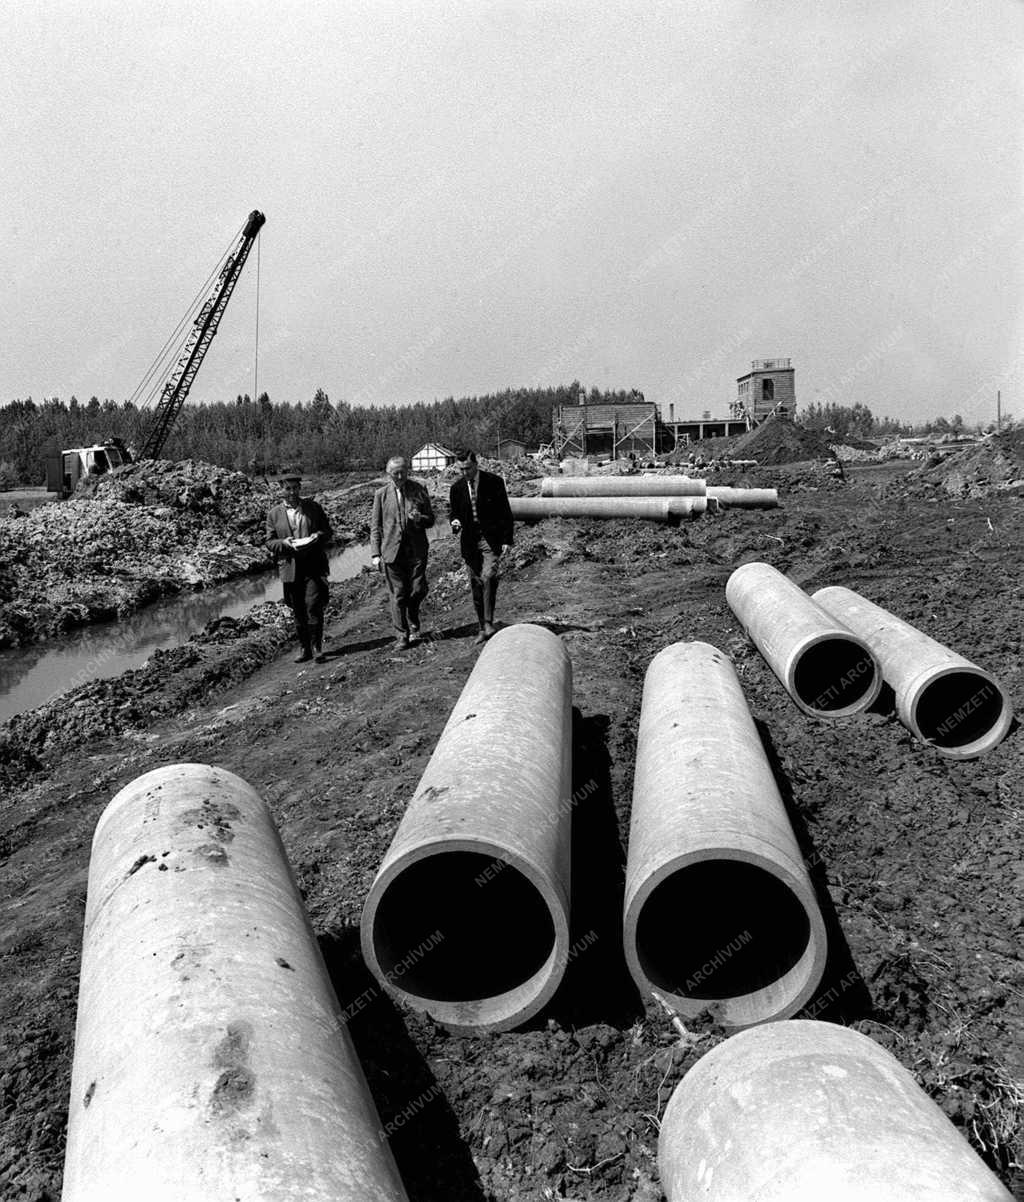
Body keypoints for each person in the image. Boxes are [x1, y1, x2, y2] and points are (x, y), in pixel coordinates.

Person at [265, 467, 333, 663]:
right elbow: (269, 542)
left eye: (295, 488)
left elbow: (327, 531)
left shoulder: (313, 508)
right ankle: (304, 648)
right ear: (281, 490)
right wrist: (283, 543)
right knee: (299, 611)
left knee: (313, 606)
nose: (292, 492)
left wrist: (318, 536)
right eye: (288, 489)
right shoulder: (274, 514)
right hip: (290, 567)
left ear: (300, 488)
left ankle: (317, 646)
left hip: (313, 565)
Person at [448, 448, 514, 644]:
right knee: (476, 583)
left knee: (488, 577)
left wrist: (506, 540)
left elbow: (505, 512)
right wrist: (455, 522)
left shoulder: (493, 482)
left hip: (490, 539)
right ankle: (482, 626)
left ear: (476, 464)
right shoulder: (456, 488)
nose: (465, 473)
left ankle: (488, 623)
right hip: (470, 541)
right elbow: (454, 513)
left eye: (468, 468)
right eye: (461, 469)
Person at [370, 455, 435, 649]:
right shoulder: (381, 494)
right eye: (395, 473)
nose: (400, 476)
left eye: (403, 472)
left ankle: (413, 615)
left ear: (408, 471)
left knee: (417, 590)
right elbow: (375, 526)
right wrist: (375, 554)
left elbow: (431, 519)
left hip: (416, 550)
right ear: (388, 474)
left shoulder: (419, 490)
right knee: (398, 594)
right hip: (391, 552)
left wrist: (419, 519)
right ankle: (403, 635)